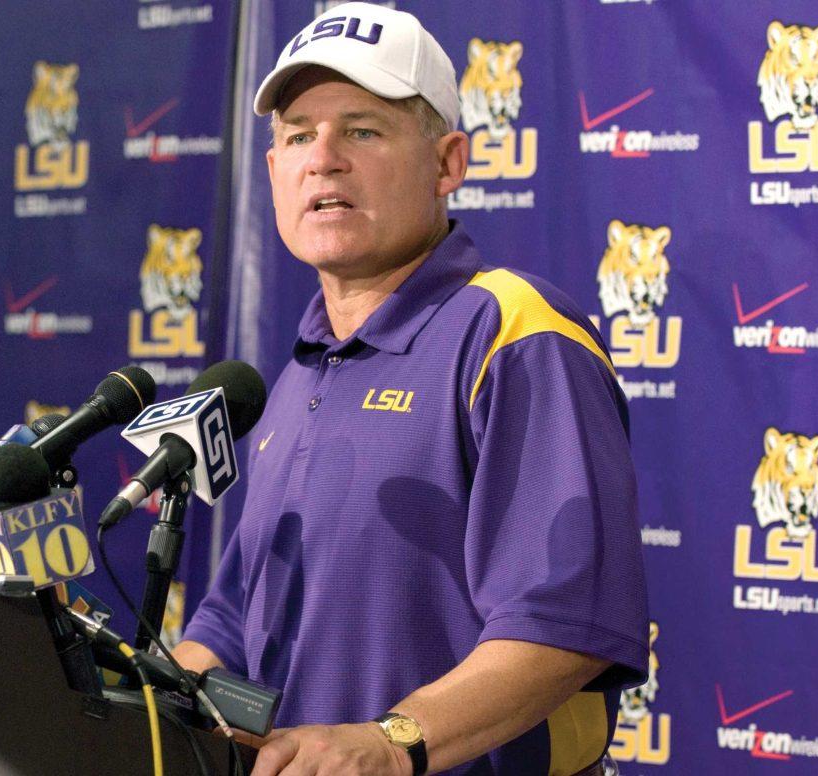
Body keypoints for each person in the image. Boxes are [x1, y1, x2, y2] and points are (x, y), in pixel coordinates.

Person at [174, 4, 649, 775]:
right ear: (273, 174)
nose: (323, 157)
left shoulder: (515, 334)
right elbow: (231, 622)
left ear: (448, 163)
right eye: (298, 135)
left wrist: (392, 743)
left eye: (361, 130)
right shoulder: (299, 373)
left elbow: (563, 627)